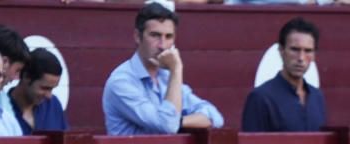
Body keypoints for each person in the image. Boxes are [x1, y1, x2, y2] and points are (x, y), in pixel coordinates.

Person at [102, 2, 224, 136]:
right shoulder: (122, 81)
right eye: (155, 35)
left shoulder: (166, 77)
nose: (162, 45)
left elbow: (215, 117)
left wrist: (180, 120)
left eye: (168, 37)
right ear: (137, 36)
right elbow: (168, 126)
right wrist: (177, 70)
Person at [241, 17, 327, 132]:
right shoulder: (260, 98)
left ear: (314, 55)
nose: (301, 58)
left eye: (308, 51)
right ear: (281, 50)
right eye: (295, 49)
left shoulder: (317, 97)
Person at [9, 48, 69, 135]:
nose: (49, 96)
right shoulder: (1, 110)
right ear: (26, 77)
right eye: (44, 88)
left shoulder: (53, 105)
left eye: (52, 89)